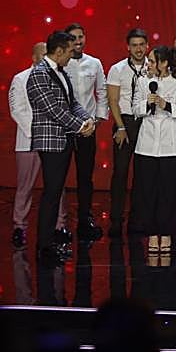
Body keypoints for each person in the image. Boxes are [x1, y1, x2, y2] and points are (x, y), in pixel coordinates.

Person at [27, 31, 96, 264]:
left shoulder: (61, 72)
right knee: (51, 194)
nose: (71, 54)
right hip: (51, 142)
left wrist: (88, 119)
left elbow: (72, 103)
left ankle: (49, 243)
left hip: (64, 139)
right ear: (58, 51)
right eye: (68, 51)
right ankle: (44, 246)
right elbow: (53, 109)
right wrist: (80, 126)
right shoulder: (39, 74)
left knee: (56, 193)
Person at [9, 42, 67, 248]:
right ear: (33, 58)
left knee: (56, 186)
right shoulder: (20, 78)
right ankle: (19, 226)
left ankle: (59, 225)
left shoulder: (58, 77)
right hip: (28, 142)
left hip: (53, 141)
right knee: (25, 187)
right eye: (41, 56)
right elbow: (17, 109)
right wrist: (37, 132)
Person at [131, 46, 176, 252]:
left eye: (153, 61)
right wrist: (147, 103)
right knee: (148, 193)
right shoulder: (143, 82)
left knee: (168, 194)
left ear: (164, 63)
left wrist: (167, 105)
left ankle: (167, 234)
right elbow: (135, 108)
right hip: (146, 147)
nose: (149, 65)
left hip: (171, 148)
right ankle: (152, 234)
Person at [104, 28, 150, 236]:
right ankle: (116, 220)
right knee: (120, 173)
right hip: (125, 122)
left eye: (142, 44)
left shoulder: (153, 66)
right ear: (128, 47)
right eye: (134, 45)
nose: (138, 49)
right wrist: (120, 126)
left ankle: (137, 219)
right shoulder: (117, 69)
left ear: (146, 45)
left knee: (142, 175)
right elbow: (112, 100)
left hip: (146, 123)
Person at [63, 23, 106, 241]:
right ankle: (59, 222)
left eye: (81, 36)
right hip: (63, 128)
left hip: (87, 129)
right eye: (73, 37)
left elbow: (101, 92)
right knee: (59, 177)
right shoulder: (60, 63)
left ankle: (85, 218)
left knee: (85, 177)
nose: (78, 41)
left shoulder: (94, 63)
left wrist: (96, 122)